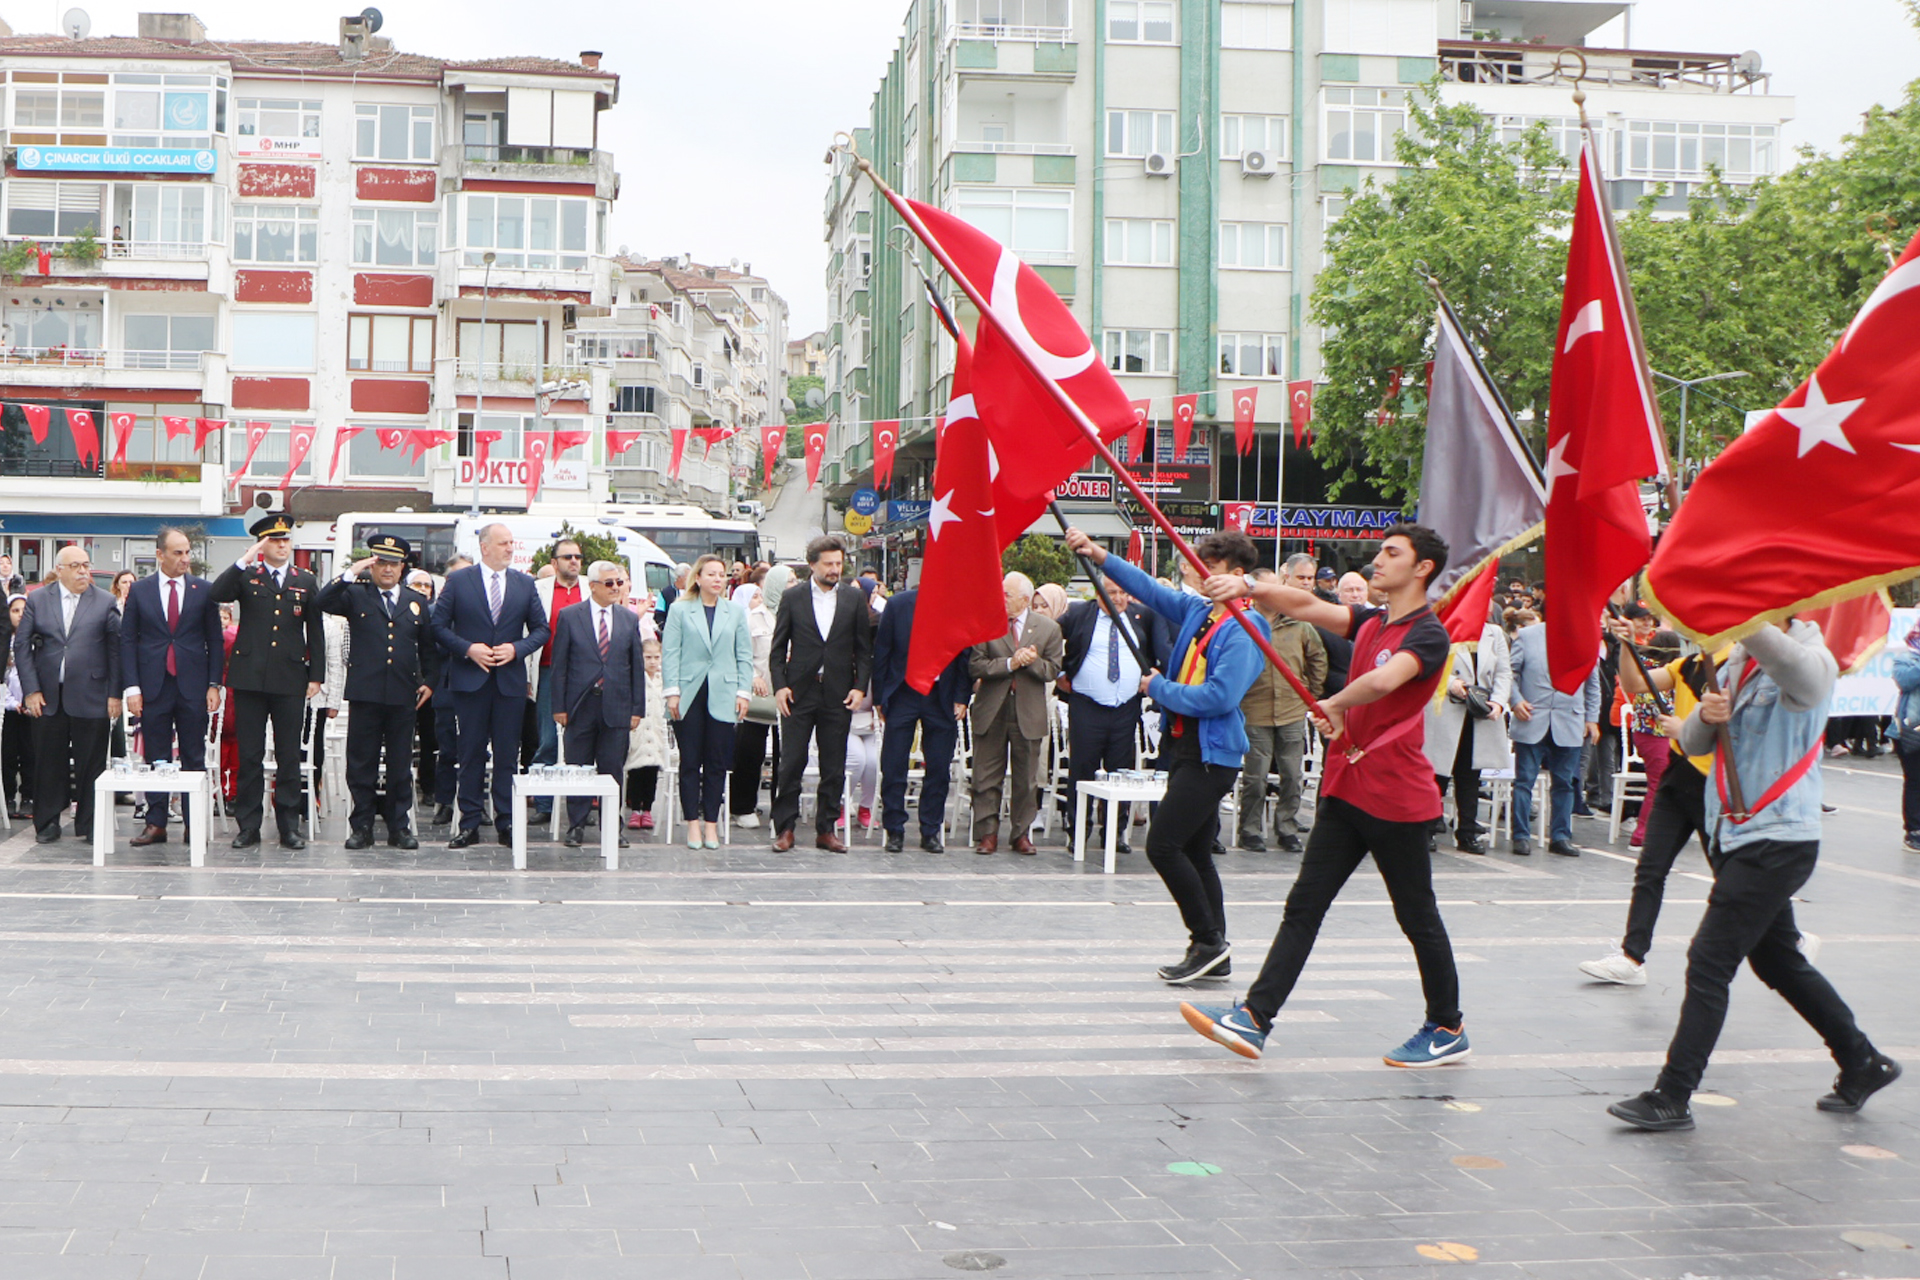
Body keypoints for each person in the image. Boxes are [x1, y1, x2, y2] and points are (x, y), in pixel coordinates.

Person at [1179, 524, 1472, 1068]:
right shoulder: (1370, 621)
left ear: (1422, 568)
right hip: (1347, 787)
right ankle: (1254, 1018)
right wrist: (1250, 590)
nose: (1377, 562)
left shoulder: (1428, 634)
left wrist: (1333, 701)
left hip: (1398, 798)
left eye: (1391, 554)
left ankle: (1447, 1024)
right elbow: (1307, 605)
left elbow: (1387, 683)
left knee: (1417, 917)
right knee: (1303, 906)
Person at [1607, 615, 1900, 1132]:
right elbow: (1698, 744)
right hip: (1736, 832)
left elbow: (1800, 676)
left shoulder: (1811, 655)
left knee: (1709, 959)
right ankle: (1862, 1060)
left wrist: (1743, 619)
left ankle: (1673, 1093)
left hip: (1779, 836)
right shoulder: (1734, 660)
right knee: (1779, 961)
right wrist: (1705, 713)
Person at [1062, 528, 1267, 981]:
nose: (1198, 574)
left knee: (1163, 844)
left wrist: (1159, 688)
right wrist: (1099, 556)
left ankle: (1208, 940)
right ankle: (1213, 947)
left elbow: (1219, 696)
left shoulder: (1246, 629)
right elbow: (1149, 589)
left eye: (1209, 568)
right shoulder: (1200, 611)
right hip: (1184, 744)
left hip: (1214, 753)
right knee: (1194, 850)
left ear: (1237, 576)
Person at [1579, 625, 1732, 985]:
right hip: (1676, 780)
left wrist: (1687, 729)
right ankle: (1632, 957)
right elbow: (1634, 684)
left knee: (1731, 876)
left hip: (1714, 785)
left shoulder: (1737, 669)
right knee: (1650, 870)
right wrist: (1626, 644)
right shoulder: (1686, 665)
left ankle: (1790, 938)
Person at [208, 514, 324, 850]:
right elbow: (218, 592)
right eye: (275, 540)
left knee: (289, 755)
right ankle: (248, 825)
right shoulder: (248, 576)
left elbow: (314, 631)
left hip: (289, 678)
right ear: (262, 544)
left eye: (286, 539)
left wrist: (316, 675)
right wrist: (244, 560)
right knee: (251, 756)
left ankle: (289, 825)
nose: (282, 545)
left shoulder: (305, 579)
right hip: (249, 678)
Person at [431, 523, 549, 849]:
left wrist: (518, 649)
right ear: (485, 547)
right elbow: (438, 626)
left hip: (509, 681)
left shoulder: (525, 584)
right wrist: (468, 648)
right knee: (470, 754)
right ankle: (469, 822)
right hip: (470, 681)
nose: (510, 548)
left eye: (512, 542)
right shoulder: (458, 581)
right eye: (503, 543)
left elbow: (541, 629)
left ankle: (507, 821)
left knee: (508, 755)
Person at [316, 534, 438, 851]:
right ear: (372, 565)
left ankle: (399, 827)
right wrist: (351, 572)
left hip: (402, 694)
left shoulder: (416, 601)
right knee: (361, 765)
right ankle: (362, 827)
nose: (387, 569)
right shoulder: (356, 594)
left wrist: (430, 682)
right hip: (365, 693)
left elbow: (427, 649)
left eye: (393, 563)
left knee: (400, 765)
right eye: (381, 562)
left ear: (402, 568)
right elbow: (322, 602)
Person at [768, 537, 872, 853]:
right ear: (812, 564)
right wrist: (780, 686)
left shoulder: (854, 599)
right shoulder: (793, 597)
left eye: (838, 563)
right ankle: (785, 827)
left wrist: (859, 686)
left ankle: (826, 829)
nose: (834, 569)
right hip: (799, 691)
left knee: (834, 764)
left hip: (838, 693)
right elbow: (777, 649)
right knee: (792, 762)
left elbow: (864, 650)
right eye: (828, 563)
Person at [120, 527, 220, 848]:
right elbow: (128, 641)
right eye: (178, 553)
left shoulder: (203, 590)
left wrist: (214, 684)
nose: (185, 559)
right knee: (156, 756)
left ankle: (193, 824)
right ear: (160, 555)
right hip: (154, 685)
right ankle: (156, 822)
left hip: (192, 685)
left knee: (193, 755)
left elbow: (215, 641)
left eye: (188, 552)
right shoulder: (141, 591)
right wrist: (132, 688)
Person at [13, 545, 120, 843]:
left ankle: (88, 824)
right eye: (75, 566)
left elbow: (115, 650)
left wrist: (115, 694)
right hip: (48, 695)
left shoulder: (104, 601)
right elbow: (22, 647)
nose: (83, 571)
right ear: (60, 570)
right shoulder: (37, 599)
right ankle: (47, 822)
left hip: (92, 693)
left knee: (91, 763)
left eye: (86, 565)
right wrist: (31, 690)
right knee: (48, 760)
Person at [1059, 581, 1171, 856]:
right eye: (1112, 593)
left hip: (1125, 708)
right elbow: (1052, 638)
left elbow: (1160, 651)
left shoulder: (1142, 616)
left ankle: (1115, 832)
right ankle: (1078, 832)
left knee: (1119, 772)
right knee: (1082, 769)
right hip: (1087, 706)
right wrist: (1060, 674)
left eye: (1124, 592)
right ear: (1098, 594)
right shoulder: (1077, 614)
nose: (1119, 598)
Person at [550, 559, 649, 849]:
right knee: (578, 768)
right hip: (580, 706)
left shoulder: (628, 618)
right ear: (592, 586)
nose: (616, 588)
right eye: (609, 583)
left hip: (616, 706)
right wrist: (559, 706)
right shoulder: (570, 616)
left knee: (612, 770)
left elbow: (635, 666)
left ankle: (612, 827)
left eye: (619, 582)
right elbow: (560, 666)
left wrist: (636, 709)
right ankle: (577, 825)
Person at [968, 572, 1065, 856]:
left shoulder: (1048, 629)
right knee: (985, 775)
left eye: (1007, 595)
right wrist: (1010, 662)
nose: (1002, 599)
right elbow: (976, 665)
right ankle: (987, 834)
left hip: (1028, 711)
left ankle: (1021, 833)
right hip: (992, 708)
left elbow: (1052, 671)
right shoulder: (987, 623)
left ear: (1025, 599)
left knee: (1026, 778)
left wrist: (1032, 662)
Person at [661, 555, 753, 849]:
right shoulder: (680, 610)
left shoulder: (735, 612)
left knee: (716, 762)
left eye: (722, 575)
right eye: (711, 574)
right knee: (691, 761)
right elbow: (670, 652)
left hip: (723, 693)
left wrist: (743, 691)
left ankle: (711, 824)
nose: (717, 579)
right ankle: (692, 824)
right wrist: (671, 690)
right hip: (689, 692)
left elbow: (744, 654)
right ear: (697, 578)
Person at [871, 587, 971, 853]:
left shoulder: (955, 608)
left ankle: (930, 829)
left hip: (941, 695)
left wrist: (962, 696)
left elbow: (964, 654)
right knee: (894, 765)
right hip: (903, 692)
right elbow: (882, 650)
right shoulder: (898, 605)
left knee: (938, 767)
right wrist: (880, 696)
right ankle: (894, 829)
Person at [1236, 568, 1327, 854]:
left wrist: (1310, 695)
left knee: (1292, 774)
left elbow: (1317, 658)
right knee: (1255, 777)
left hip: (1291, 710)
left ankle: (1286, 827)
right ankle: (1250, 830)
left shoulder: (1299, 624)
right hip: (1255, 709)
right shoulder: (1243, 623)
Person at [1507, 614, 1601, 856]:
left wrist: (1592, 718)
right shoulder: (1528, 636)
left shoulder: (1585, 640)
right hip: (1532, 716)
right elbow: (1510, 674)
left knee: (1565, 783)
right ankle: (1521, 835)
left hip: (1569, 719)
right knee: (1524, 780)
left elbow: (1592, 684)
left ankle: (1560, 836)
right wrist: (1516, 701)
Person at [1422, 600, 1511, 855]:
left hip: (1480, 712)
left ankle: (1468, 831)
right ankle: (1427, 827)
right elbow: (1430, 663)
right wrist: (1451, 683)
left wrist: (1498, 702)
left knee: (1470, 775)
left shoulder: (1495, 634)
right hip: (1447, 710)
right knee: (1438, 773)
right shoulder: (1443, 628)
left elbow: (1504, 673)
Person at [528, 538, 585, 826]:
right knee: (548, 740)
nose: (573, 561)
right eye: (567, 557)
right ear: (554, 563)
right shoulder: (537, 590)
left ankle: (584, 805)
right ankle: (543, 803)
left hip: (585, 675)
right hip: (549, 671)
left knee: (583, 740)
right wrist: (528, 675)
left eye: (577, 556)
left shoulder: (592, 589)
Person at [730, 565, 787, 829]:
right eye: (787, 582)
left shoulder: (797, 614)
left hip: (787, 695)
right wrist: (752, 676)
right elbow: (740, 652)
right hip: (758, 698)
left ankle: (782, 807)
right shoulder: (753, 618)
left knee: (785, 755)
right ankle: (742, 806)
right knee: (749, 753)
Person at [427, 554, 471, 826]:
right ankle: (444, 802)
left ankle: (474, 801)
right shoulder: (435, 611)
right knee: (447, 750)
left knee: (476, 749)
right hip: (446, 686)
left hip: (476, 686)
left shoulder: (484, 608)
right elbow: (434, 648)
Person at [624, 638, 669, 831]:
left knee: (651, 773)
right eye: (648, 657)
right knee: (636, 771)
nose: (652, 661)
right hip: (638, 732)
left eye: (656, 657)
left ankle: (648, 809)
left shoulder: (663, 680)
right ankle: (635, 809)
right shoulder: (635, 679)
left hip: (656, 733)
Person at [2, 594, 31, 820]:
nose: (20, 615)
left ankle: (29, 795)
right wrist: (13, 702)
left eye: (24, 610)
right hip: (10, 708)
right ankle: (9, 796)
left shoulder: (33, 640)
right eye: (15, 611)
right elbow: (5, 679)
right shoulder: (5, 643)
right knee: (9, 754)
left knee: (30, 753)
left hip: (31, 706)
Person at [1896, 617, 1920, 853]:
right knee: (1915, 780)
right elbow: (1905, 681)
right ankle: (1913, 831)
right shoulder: (1907, 658)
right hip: (1912, 730)